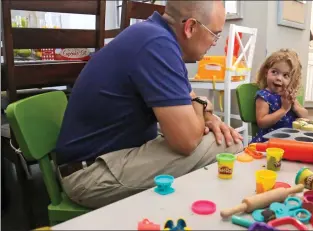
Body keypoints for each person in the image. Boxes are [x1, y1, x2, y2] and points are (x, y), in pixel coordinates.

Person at [55, 0, 244, 209]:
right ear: (190, 27)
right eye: (215, 34)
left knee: (215, 136)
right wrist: (202, 105)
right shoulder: (156, 44)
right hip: (90, 174)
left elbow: (190, 101)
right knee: (229, 144)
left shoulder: (155, 37)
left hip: (111, 157)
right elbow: (187, 141)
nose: (214, 42)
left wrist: (207, 115)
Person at [251, 49, 308, 143]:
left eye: (285, 75)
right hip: (269, 141)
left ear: (291, 80)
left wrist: (295, 107)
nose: (278, 78)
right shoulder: (264, 96)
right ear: (266, 73)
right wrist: (284, 109)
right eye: (274, 72)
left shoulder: (288, 95)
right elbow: (262, 122)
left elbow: (305, 115)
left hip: (290, 139)